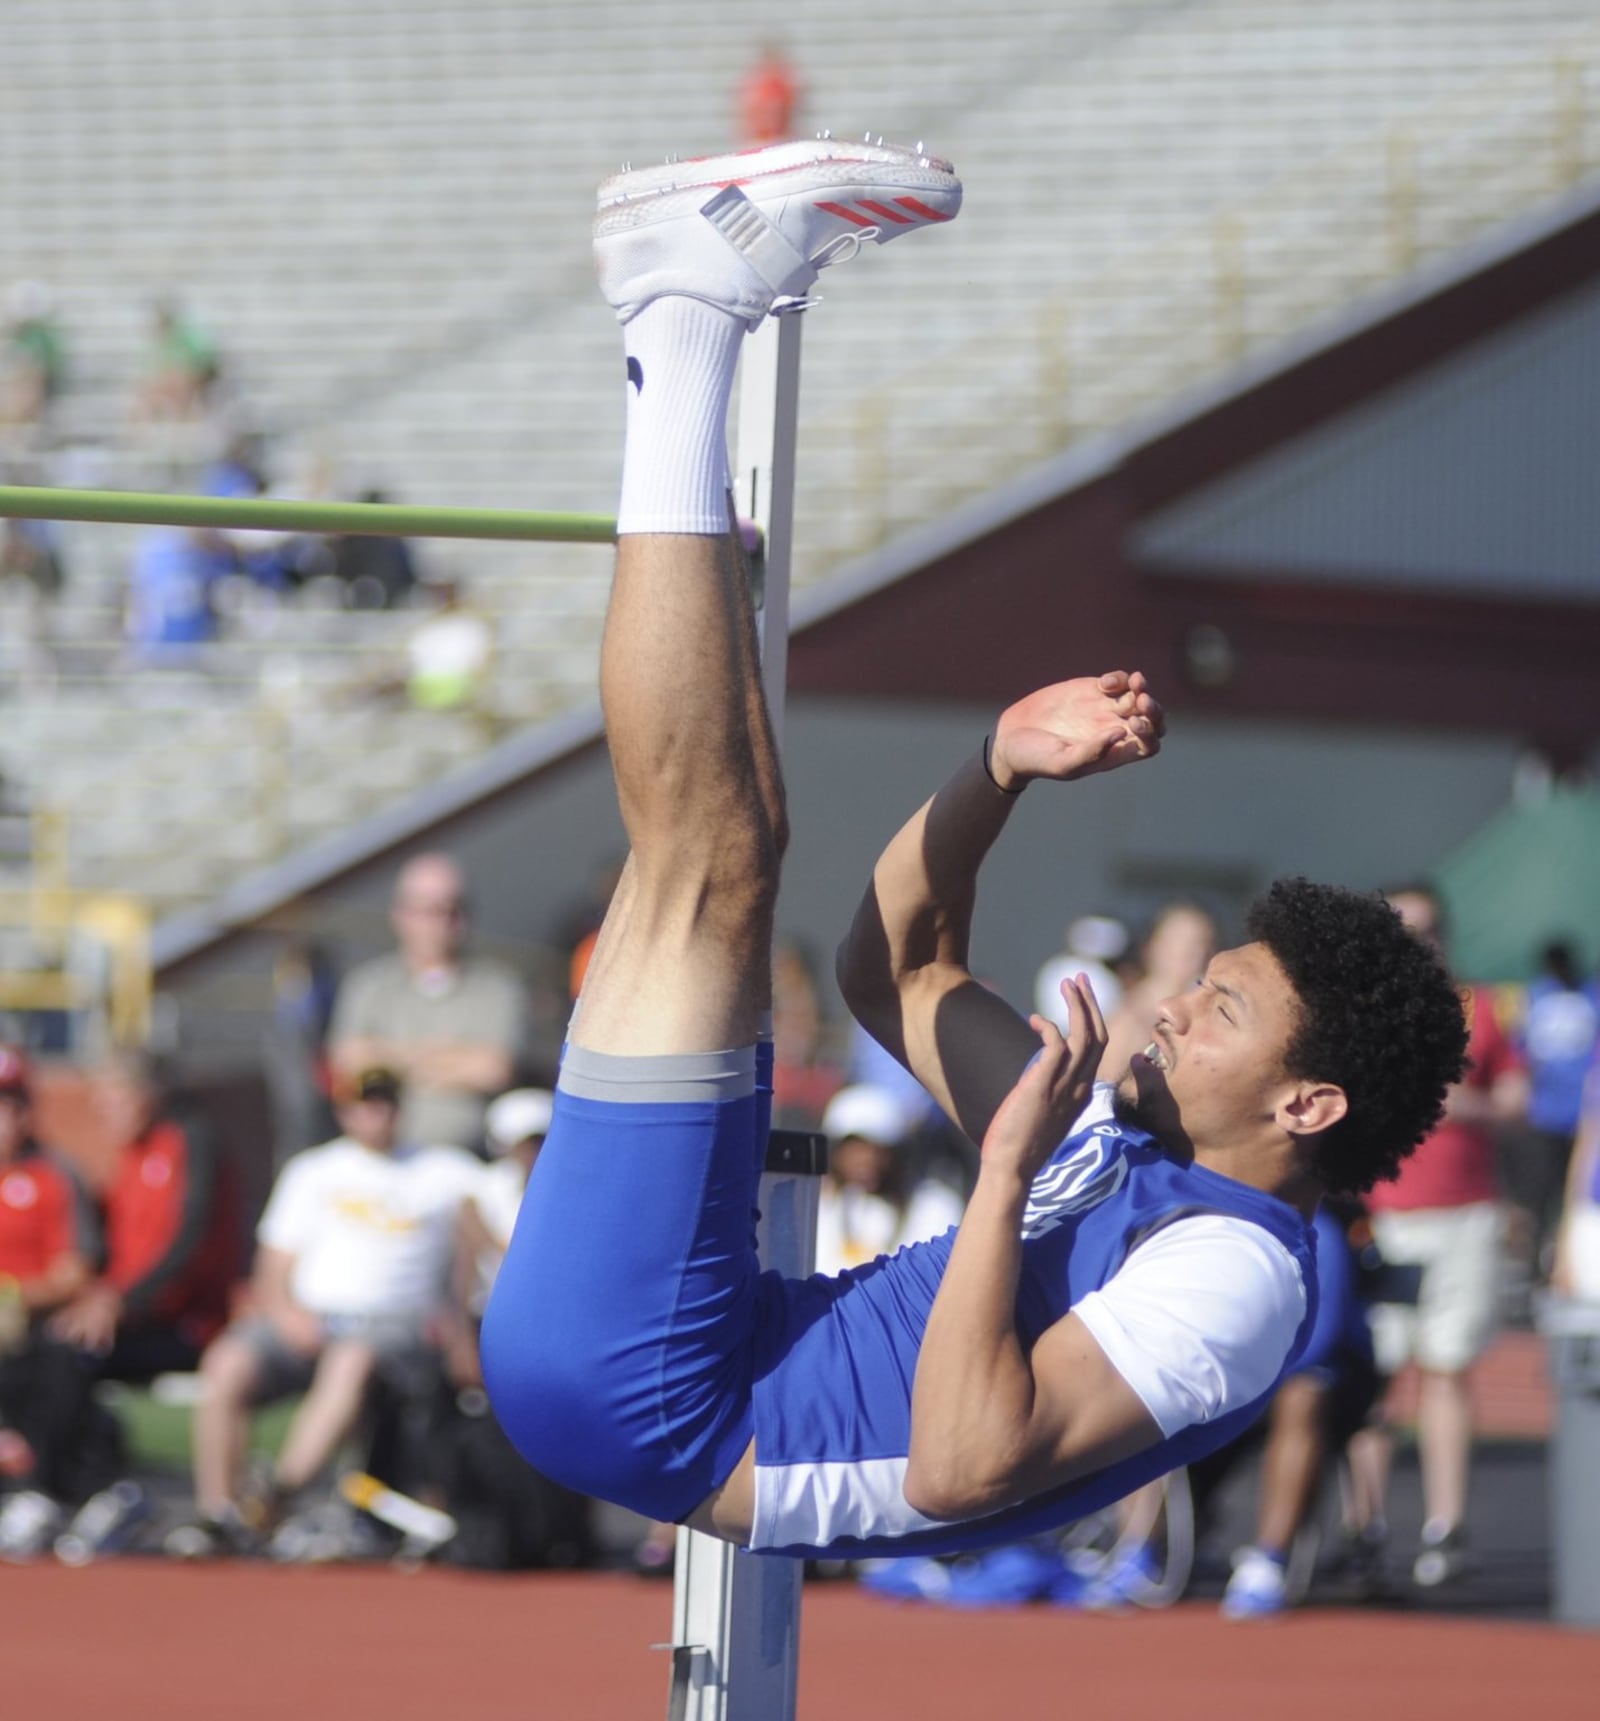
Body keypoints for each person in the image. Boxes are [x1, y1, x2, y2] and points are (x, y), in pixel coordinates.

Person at [479, 135, 1467, 1565]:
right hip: (710, 1333)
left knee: (713, 861)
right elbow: (894, 965)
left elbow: (958, 1470)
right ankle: (686, 312)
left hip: (665, 1401)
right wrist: (997, 767)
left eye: (1224, 1007)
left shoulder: (1241, 1280)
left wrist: (1003, 1172)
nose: (1175, 1003)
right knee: (728, 846)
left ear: (1308, 1103)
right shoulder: (1127, 1143)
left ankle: (681, 308)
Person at [169, 1066, 484, 1556]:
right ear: (343, 1111)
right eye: (362, 1104)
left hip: (395, 1325)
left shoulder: (444, 1171)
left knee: (350, 1359)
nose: (374, 1115)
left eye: (383, 1103)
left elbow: (498, 1221)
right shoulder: (313, 1171)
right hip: (309, 1314)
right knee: (226, 1362)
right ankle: (219, 1511)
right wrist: (285, 1314)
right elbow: (273, 1266)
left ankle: (277, 1493)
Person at [1360, 885, 1527, 1589]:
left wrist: (1470, 1103)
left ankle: (1444, 1524)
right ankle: (1362, 1523)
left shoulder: (1480, 1009)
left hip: (1463, 1212)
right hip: (1385, 1214)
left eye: (1427, 928)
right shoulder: (1364, 1011)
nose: (1418, 941)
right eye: (1403, 928)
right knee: (1373, 1377)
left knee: (1447, 1365)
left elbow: (1519, 1102)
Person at [329, 853, 529, 1151]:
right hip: (381, 1160)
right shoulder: (367, 986)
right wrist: (450, 1055)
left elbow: (493, 1069)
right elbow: (348, 1062)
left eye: (449, 910)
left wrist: (390, 1061)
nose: (438, 923)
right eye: (425, 910)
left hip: (471, 1158)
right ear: (399, 914)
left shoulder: (498, 987)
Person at [0, 1048, 104, 1558]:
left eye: (12, 1104)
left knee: (60, 1355)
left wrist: (12, 1296)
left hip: (34, 1320)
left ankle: (35, 1492)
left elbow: (73, 1271)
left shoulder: (53, 1174)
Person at [1512, 940, 1600, 1281]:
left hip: (1580, 1115)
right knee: (1539, 1199)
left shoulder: (1591, 994)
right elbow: (1521, 1051)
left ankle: (1565, 1264)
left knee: (1574, 1196)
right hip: (1544, 1115)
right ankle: (1536, 1270)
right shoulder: (1535, 996)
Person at [816, 1084, 964, 1276]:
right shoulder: (818, 1206)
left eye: (878, 1150)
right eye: (855, 1148)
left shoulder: (935, 1206)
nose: (866, 1161)